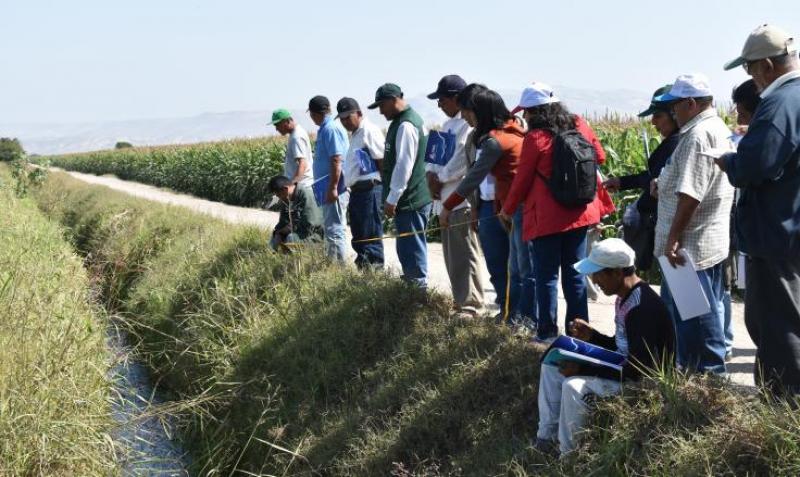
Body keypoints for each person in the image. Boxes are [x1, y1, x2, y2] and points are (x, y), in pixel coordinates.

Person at [718, 24, 800, 396]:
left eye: (751, 69)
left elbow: (757, 165)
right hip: (789, 228)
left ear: (767, 65)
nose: (751, 78)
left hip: (776, 234)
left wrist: (729, 162)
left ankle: (784, 409)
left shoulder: (780, 103)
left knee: (779, 326)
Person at [535, 238, 675, 456]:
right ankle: (546, 438)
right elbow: (622, 345)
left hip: (642, 382)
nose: (594, 280)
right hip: (627, 368)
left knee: (574, 386)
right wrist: (593, 337)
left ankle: (568, 456)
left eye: (598, 273)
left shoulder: (641, 308)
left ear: (617, 273)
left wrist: (583, 370)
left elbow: (638, 370)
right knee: (552, 368)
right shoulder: (624, 297)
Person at [501, 82, 615, 344]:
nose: (525, 117)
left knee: (547, 277)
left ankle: (547, 332)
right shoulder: (579, 125)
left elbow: (522, 180)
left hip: (547, 219)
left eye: (527, 112)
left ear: (536, 111)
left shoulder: (535, 138)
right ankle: (579, 334)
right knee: (575, 275)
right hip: (579, 213)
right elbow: (599, 155)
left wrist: (507, 211)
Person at [653, 74, 735, 374]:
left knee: (697, 317)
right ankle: (699, 375)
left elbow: (691, 194)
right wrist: (661, 183)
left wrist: (673, 239)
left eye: (675, 106)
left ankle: (708, 378)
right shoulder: (715, 128)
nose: (673, 113)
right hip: (707, 241)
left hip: (690, 247)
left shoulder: (698, 135)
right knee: (701, 311)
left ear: (690, 103)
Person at [439, 87, 528, 326]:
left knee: (517, 268)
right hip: (493, 206)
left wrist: (448, 207)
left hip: (514, 207)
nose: (465, 116)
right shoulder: (483, 137)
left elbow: (473, 177)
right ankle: (507, 311)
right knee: (498, 264)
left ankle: (518, 316)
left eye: (467, 111)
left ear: (480, 111)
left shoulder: (499, 138)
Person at [603, 85, 680, 271]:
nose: (653, 122)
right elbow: (651, 177)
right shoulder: (672, 141)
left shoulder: (677, 143)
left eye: (658, 115)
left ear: (675, 113)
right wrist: (622, 182)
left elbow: (658, 181)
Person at [426, 75, 485, 317]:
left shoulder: (469, 125)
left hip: (460, 200)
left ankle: (471, 303)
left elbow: (463, 161)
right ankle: (460, 300)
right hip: (444, 200)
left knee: (465, 254)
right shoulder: (448, 126)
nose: (439, 105)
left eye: (442, 100)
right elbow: (433, 158)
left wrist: (440, 177)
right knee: (452, 257)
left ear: (455, 98)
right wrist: (430, 175)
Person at [368, 83, 433, 287]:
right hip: (409, 198)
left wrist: (392, 198)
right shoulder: (404, 121)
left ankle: (417, 291)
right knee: (407, 246)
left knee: (412, 247)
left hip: (410, 199)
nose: (380, 111)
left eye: (382, 105)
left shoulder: (406, 125)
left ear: (393, 100)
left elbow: (404, 165)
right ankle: (413, 286)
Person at [337, 97, 386, 269]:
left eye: (347, 117)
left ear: (359, 113)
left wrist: (385, 191)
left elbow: (381, 161)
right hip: (358, 191)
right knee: (360, 236)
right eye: (341, 119)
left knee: (370, 236)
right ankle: (364, 270)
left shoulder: (369, 130)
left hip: (370, 190)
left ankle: (373, 273)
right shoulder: (356, 133)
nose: (344, 122)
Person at [308, 95, 350, 262]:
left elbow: (336, 159)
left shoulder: (330, 129)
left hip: (334, 188)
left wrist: (332, 187)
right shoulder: (326, 128)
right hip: (327, 186)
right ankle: (333, 262)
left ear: (315, 113)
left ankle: (338, 267)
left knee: (335, 228)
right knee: (331, 228)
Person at [267, 175, 323, 250]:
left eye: (279, 195)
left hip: (315, 236)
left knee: (291, 238)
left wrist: (290, 229)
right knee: (275, 236)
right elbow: (283, 222)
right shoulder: (287, 198)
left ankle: (292, 259)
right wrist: (278, 233)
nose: (279, 198)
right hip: (299, 232)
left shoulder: (307, 196)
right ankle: (273, 257)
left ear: (285, 189)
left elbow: (310, 226)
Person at [270, 109, 314, 188]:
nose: (276, 129)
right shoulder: (297, 132)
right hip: (302, 185)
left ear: (287, 121)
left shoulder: (296, 137)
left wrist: (291, 185)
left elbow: (303, 164)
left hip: (302, 186)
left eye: (277, 125)